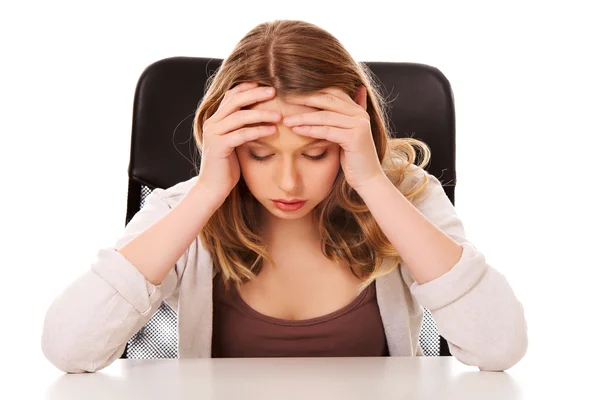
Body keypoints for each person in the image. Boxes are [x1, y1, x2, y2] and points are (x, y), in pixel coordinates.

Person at [41, 19, 527, 373]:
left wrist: (374, 182)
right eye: (260, 154)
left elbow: (500, 348)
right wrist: (208, 191)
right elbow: (68, 349)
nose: (288, 184)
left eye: (316, 154)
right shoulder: (184, 210)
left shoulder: (407, 199)